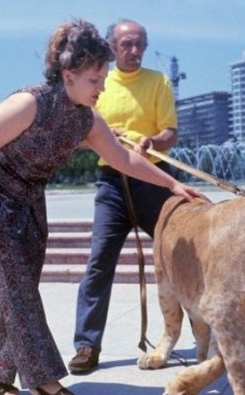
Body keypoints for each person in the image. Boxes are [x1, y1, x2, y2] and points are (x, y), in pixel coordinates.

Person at [0, 19, 199, 395]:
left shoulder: (86, 120)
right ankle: (44, 382)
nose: (102, 88)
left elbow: (124, 158)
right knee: (19, 288)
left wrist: (172, 185)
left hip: (29, 202)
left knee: (17, 288)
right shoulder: (30, 103)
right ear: (68, 75)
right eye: (95, 80)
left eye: (103, 79)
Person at [68, 18, 178, 374]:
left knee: (179, 257)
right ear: (112, 48)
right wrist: (103, 135)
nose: (133, 51)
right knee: (99, 262)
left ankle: (201, 335)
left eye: (139, 44)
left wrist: (152, 142)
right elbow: (82, 131)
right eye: (125, 44)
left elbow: (170, 132)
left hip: (152, 180)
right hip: (112, 183)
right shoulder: (99, 82)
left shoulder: (158, 81)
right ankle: (86, 345)